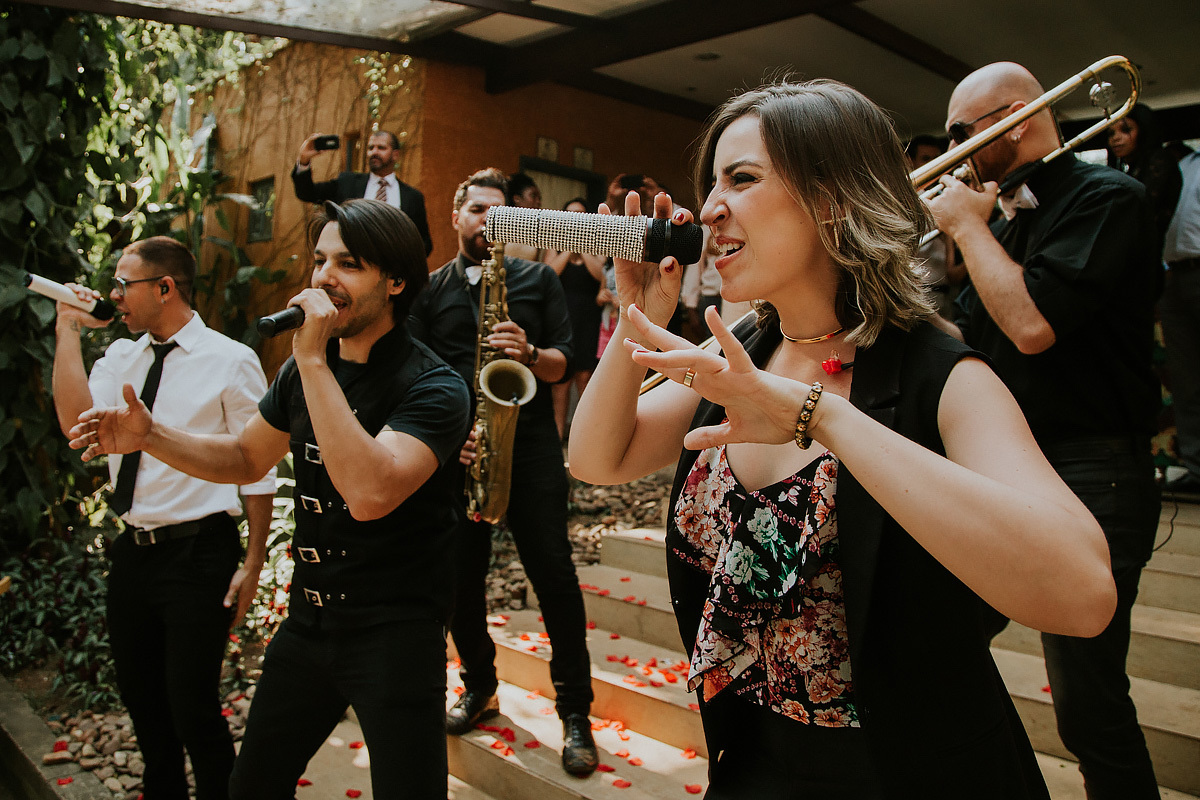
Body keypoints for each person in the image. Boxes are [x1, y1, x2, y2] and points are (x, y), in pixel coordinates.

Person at [570, 79, 1116, 799]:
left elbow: (1083, 595)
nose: (707, 209)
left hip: (915, 774)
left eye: (742, 178)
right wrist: (636, 316)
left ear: (832, 199)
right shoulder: (749, 349)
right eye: (710, 185)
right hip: (757, 767)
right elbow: (597, 458)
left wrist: (824, 418)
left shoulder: (943, 376)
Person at [70, 200, 471, 800]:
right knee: (250, 787)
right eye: (319, 261)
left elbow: (369, 492)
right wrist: (150, 436)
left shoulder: (435, 386)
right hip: (309, 624)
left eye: (348, 263)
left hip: (395, 630)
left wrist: (309, 358)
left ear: (395, 281)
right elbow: (244, 458)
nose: (323, 277)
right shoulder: (303, 373)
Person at [928, 62, 1163, 800]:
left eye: (965, 133)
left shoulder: (1109, 197)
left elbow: (1031, 326)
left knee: (1089, 705)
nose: (956, 149)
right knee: (941, 649)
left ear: (1022, 117)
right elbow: (965, 341)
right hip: (1014, 470)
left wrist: (967, 227)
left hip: (1097, 472)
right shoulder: (1009, 221)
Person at [51, 236, 276, 800]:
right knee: (142, 699)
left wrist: (253, 560)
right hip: (133, 550)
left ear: (165, 287)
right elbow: (76, 421)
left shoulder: (231, 359)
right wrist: (67, 331)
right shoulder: (122, 356)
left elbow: (259, 467)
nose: (114, 296)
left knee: (191, 703)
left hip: (201, 552)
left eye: (123, 284)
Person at [407, 168, 599, 777]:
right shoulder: (430, 290)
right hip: (459, 452)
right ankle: (480, 686)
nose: (487, 220)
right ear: (456, 216)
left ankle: (574, 711)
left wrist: (531, 353)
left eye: (499, 211)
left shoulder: (537, 278)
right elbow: (410, 376)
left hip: (534, 446)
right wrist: (445, 438)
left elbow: (568, 362)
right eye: (477, 210)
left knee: (555, 578)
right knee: (461, 581)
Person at [292, 130, 433, 255]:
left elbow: (424, 243)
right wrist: (304, 160)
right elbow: (307, 193)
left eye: (381, 148)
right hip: (349, 268)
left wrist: (402, 263)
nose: (374, 152)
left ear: (395, 155)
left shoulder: (412, 197)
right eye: (371, 148)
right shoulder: (347, 182)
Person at [545, 197, 606, 437]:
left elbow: (600, 274)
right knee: (561, 382)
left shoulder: (595, 245)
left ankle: (585, 437)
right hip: (561, 319)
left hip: (589, 320)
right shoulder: (555, 244)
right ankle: (557, 436)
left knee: (585, 377)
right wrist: (569, 245)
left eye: (580, 214)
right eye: (571, 214)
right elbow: (549, 273)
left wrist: (582, 244)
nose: (575, 219)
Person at [1162, 147, 1200, 497]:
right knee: (1185, 380)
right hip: (1173, 275)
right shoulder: (1163, 172)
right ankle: (1196, 467)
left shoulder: (1196, 167)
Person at [1106, 103, 1183, 247]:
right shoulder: (1132, 169)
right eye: (1111, 133)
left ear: (1144, 130)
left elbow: (1139, 211)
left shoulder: (1160, 161)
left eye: (1126, 130)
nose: (1115, 138)